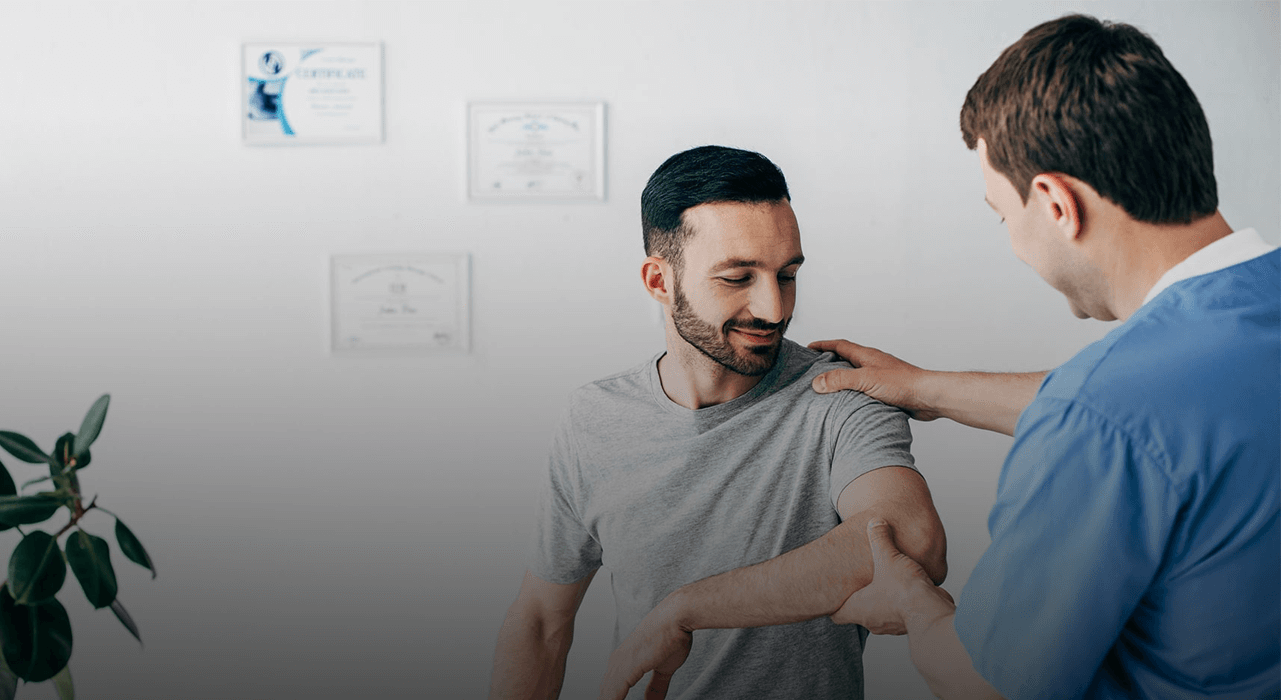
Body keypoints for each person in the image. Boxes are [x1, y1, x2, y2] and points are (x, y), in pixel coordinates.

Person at [817, 14, 1279, 700]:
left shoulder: (1099, 415)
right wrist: (924, 388)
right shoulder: (1222, 341)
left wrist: (912, 603)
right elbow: (1180, 414)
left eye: (1003, 216)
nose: (1011, 240)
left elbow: (989, 685)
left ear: (1058, 203)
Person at [487, 145, 949, 700]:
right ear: (659, 281)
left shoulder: (841, 394)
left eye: (787, 275)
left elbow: (911, 540)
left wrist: (685, 610)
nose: (774, 309)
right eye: (737, 278)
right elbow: (542, 621)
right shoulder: (593, 418)